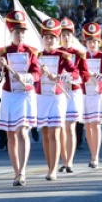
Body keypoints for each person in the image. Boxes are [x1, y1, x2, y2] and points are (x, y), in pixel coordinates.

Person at [0, 11, 42, 186]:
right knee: (11, 135)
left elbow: (37, 73)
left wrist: (28, 78)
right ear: (11, 33)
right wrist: (0, 67)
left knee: (22, 132)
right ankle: (15, 172)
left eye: (22, 32)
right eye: (17, 32)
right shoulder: (2, 53)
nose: (20, 35)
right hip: (9, 95)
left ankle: (22, 171)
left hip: (25, 95)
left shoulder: (31, 52)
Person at [36, 19, 75, 181]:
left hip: (58, 96)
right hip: (41, 97)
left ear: (57, 38)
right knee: (45, 133)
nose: (49, 40)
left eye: (52, 37)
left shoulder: (63, 56)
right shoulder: (36, 56)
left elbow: (74, 74)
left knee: (55, 132)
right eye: (46, 37)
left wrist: (59, 76)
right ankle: (49, 165)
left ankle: (53, 170)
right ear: (42, 38)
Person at [57, 18, 89, 173]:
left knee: (70, 127)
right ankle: (63, 159)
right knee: (60, 127)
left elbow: (85, 74)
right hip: (57, 93)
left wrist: (75, 77)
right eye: (63, 34)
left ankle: (69, 161)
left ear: (73, 35)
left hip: (73, 91)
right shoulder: (55, 53)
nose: (66, 37)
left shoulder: (79, 53)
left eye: (68, 34)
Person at [80, 22, 102, 169]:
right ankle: (91, 152)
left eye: (94, 41)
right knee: (88, 125)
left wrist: (98, 76)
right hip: (85, 93)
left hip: (98, 93)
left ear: (99, 42)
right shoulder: (81, 56)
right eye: (89, 41)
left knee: (96, 125)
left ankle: (95, 156)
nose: (92, 44)